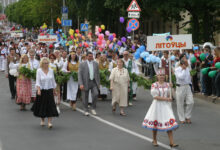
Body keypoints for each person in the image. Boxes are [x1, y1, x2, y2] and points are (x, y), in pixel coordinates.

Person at [142, 69, 178, 148]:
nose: (161, 77)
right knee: (156, 122)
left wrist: (172, 88)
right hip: (157, 105)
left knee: (169, 121)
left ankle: (172, 142)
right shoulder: (154, 85)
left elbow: (171, 96)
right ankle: (154, 139)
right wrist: (167, 99)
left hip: (166, 106)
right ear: (157, 77)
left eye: (162, 75)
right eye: (160, 75)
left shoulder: (168, 84)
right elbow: (155, 97)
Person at [31, 57, 59, 129]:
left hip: (49, 90)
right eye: (45, 63)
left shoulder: (51, 71)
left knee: (50, 106)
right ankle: (42, 120)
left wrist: (54, 90)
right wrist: (39, 90)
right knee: (42, 106)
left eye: (47, 63)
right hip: (42, 90)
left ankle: (49, 122)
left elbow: (53, 81)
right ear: (42, 64)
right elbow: (38, 81)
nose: (46, 64)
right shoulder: (39, 71)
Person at [78, 51, 100, 116]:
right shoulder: (82, 64)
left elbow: (98, 74)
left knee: (96, 94)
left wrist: (98, 83)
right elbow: (79, 74)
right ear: (86, 57)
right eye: (89, 56)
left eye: (92, 56)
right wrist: (81, 84)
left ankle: (93, 108)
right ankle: (86, 110)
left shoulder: (96, 63)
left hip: (93, 82)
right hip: (85, 82)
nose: (91, 57)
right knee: (85, 97)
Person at [175, 59, 194, 124]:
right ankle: (181, 118)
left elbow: (189, 78)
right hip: (180, 87)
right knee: (180, 103)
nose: (187, 65)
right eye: (186, 64)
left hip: (188, 86)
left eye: (187, 64)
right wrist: (183, 69)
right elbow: (181, 77)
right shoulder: (177, 70)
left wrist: (191, 85)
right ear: (181, 64)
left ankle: (187, 116)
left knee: (191, 102)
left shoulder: (188, 69)